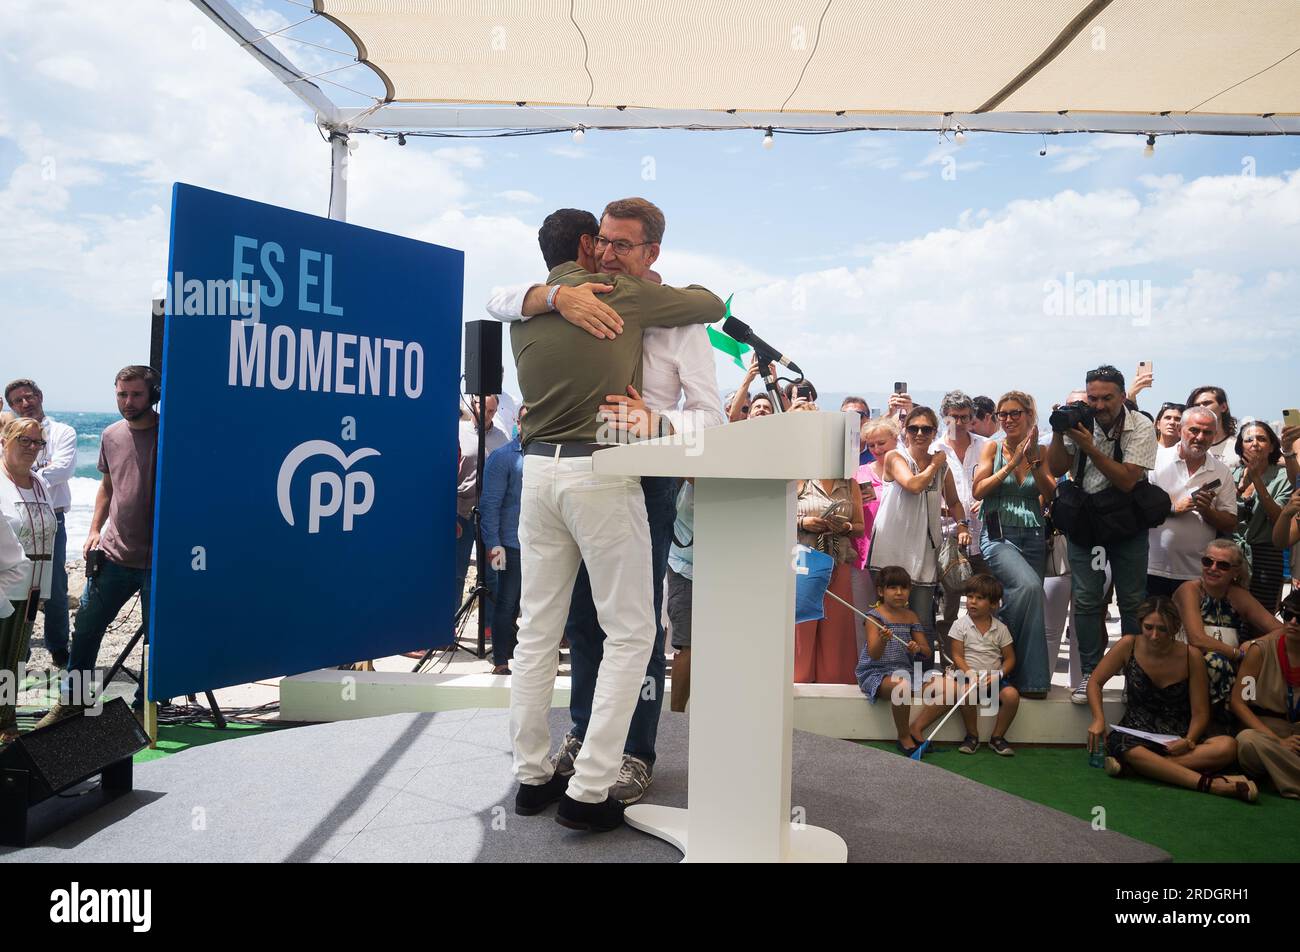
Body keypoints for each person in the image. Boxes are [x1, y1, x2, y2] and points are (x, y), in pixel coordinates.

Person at [491, 200, 726, 806]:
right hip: (589, 473)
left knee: (635, 628)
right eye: (604, 243)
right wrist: (552, 297)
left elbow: (713, 420)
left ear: (652, 254)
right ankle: (585, 739)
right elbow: (501, 297)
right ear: (589, 245)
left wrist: (657, 422)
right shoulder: (577, 295)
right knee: (584, 623)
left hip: (645, 478)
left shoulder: (677, 321)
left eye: (624, 246)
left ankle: (632, 754)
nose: (610, 254)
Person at [39, 367, 159, 725]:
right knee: (88, 628)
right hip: (115, 555)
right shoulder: (110, 434)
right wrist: (94, 529)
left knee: (156, 642)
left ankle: (145, 707)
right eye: (122, 394)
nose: (128, 402)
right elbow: (106, 486)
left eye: (136, 394)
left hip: (161, 561)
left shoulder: (172, 434)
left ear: (153, 394)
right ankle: (74, 700)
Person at [1047, 365, 1158, 705]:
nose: (1098, 405)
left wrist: (1090, 446)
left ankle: (1136, 676)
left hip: (1126, 521)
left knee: (1132, 600)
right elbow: (1056, 469)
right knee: (1086, 599)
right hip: (1087, 519)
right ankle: (1091, 676)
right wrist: (1058, 431)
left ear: (1123, 396)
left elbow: (1127, 480)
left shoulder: (1140, 425)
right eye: (1092, 397)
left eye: (1106, 398)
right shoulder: (1080, 419)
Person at [1086, 596, 1253, 801]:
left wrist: (1189, 740)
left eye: (1162, 629)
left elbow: (1200, 713)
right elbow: (1095, 682)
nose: (1154, 635)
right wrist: (1098, 719)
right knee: (1130, 750)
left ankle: (1140, 769)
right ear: (1140, 624)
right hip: (1135, 736)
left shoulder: (1191, 656)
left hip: (1178, 740)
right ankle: (1210, 785)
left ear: (1175, 628)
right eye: (1148, 627)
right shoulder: (1128, 644)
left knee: (1227, 746)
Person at [972, 391, 1056, 697]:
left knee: (1027, 600)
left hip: (1034, 533)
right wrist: (1011, 465)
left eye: (1014, 413)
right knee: (1030, 588)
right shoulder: (991, 447)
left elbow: (1051, 492)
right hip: (998, 534)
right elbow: (978, 491)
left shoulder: (1041, 451)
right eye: (1002, 414)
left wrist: (1033, 463)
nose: (1007, 419)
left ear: (1029, 415)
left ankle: (1017, 679)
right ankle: (1023, 675)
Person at [867, 406, 971, 634]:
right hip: (890, 553)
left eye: (926, 429)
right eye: (914, 428)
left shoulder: (942, 467)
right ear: (905, 431)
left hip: (923, 553)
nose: (920, 433)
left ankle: (917, 670)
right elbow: (913, 485)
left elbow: (953, 502)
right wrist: (934, 464)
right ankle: (889, 670)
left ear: (935, 432)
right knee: (889, 623)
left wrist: (962, 525)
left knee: (921, 622)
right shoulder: (895, 457)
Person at [5, 380, 77, 669]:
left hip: (50, 517)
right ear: (12, 407)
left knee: (54, 585)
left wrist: (26, 478)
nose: (25, 403)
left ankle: (58, 646)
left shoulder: (62, 431)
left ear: (40, 397)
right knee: (12, 583)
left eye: (29, 397)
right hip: (12, 518)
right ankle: (16, 651)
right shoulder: (8, 434)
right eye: (17, 401)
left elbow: (63, 468)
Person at [0, 418, 56, 744]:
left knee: (16, 658)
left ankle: (7, 723)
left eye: (38, 443)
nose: (32, 448)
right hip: (5, 586)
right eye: (25, 440)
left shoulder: (39, 483)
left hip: (34, 587)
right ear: (5, 439)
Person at [1145, 406, 1237, 599]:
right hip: (1150, 567)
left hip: (1196, 573)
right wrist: (1170, 509)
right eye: (1194, 430)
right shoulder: (1154, 460)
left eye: (1207, 432)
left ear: (1214, 436)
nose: (1200, 437)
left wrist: (1208, 511)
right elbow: (1137, 508)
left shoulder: (1221, 471)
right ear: (1180, 430)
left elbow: (1230, 522)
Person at [854, 566, 943, 754]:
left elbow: (927, 651)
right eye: (893, 588)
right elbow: (874, 654)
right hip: (876, 673)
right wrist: (883, 640)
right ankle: (903, 737)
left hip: (905, 673)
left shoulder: (911, 616)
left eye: (904, 588)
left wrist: (917, 649)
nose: (899, 593)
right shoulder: (874, 617)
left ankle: (916, 729)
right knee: (901, 686)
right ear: (880, 591)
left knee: (949, 687)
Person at [794, 475, 864, 683]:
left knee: (836, 627)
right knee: (802, 626)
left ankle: (835, 683)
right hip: (805, 561)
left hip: (838, 560)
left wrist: (846, 528)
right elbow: (777, 515)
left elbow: (860, 526)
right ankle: (798, 681)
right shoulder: (800, 479)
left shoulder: (850, 484)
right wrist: (803, 522)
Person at [1231, 590, 1300, 798]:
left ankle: (1280, 777)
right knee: (1247, 741)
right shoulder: (1260, 651)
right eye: (1288, 615)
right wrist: (1279, 742)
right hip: (1264, 734)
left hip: (1296, 737)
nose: (1293, 622)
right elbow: (1239, 702)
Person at [933, 391, 989, 637]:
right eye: (953, 417)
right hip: (949, 538)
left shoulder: (985, 446)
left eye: (964, 417)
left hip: (984, 536)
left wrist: (987, 497)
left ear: (971, 418)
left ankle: (981, 663)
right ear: (944, 417)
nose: (958, 422)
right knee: (948, 611)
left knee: (985, 606)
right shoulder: (935, 449)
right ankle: (949, 667)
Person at [949, 574, 1020, 755]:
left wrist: (999, 675)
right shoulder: (960, 625)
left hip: (993, 679)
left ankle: (997, 737)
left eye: (979, 598)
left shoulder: (1000, 628)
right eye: (970, 597)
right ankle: (972, 735)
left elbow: (1010, 658)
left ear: (994, 604)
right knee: (965, 693)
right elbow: (956, 655)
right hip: (968, 677)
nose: (972, 602)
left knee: (1011, 696)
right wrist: (969, 673)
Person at [480, 405, 527, 675]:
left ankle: (531, 657)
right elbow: (490, 505)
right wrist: (493, 544)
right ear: (517, 423)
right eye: (524, 420)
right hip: (511, 545)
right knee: (507, 604)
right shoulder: (503, 458)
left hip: (540, 545)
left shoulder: (543, 456)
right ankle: (500, 661)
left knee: (534, 606)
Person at [455, 394, 508, 615]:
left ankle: (488, 627)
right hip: (460, 511)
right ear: (473, 403)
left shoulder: (501, 438)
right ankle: (450, 624)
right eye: (483, 409)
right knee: (456, 571)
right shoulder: (458, 432)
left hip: (491, 515)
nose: (487, 415)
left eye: (492, 412)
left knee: (492, 572)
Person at [1231, 420, 1292, 613]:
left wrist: (1257, 480)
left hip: (1267, 555)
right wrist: (1240, 487)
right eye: (1248, 439)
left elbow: (1279, 519)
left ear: (1272, 446)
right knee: (1231, 614)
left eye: (1261, 439)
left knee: (1261, 615)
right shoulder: (1232, 473)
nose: (1255, 443)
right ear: (1241, 446)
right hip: (1231, 554)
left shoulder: (1284, 476)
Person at [851, 416, 896, 655]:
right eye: (871, 445)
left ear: (895, 441)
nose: (877, 449)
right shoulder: (858, 472)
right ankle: (866, 666)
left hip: (895, 553)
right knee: (864, 614)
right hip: (863, 553)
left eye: (882, 443)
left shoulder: (904, 471)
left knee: (896, 614)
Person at [665, 480, 694, 712]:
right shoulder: (682, 479)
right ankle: (676, 715)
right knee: (688, 647)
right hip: (683, 569)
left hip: (724, 569)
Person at [1185, 386, 1239, 468]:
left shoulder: (1238, 447)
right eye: (1196, 405)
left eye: (1206, 403)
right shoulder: (1185, 446)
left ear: (1223, 407)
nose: (1201, 408)